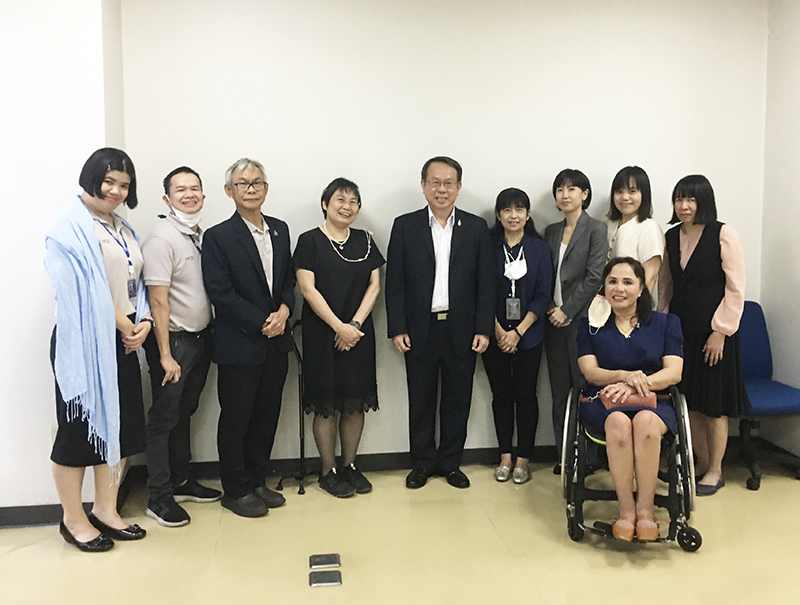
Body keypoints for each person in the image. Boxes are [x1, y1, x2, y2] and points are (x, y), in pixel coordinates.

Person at [45, 147, 151, 552]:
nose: (116, 190)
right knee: (78, 431)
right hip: (83, 342)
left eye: (124, 184)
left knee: (119, 428)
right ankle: (73, 519)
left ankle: (106, 509)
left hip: (124, 339)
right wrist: (123, 321)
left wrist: (142, 320)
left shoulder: (123, 228)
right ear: (92, 177)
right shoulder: (69, 227)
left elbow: (137, 284)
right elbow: (77, 291)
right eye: (109, 181)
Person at [386, 156, 494, 489]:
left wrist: (483, 329)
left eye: (449, 183)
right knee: (420, 398)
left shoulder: (476, 228)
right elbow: (396, 282)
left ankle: (450, 463)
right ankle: (421, 463)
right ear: (423, 186)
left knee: (457, 398)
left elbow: (485, 282)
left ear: (459, 188)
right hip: (420, 328)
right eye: (435, 182)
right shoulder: (405, 225)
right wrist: (398, 327)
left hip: (461, 328)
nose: (441, 189)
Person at [201, 158, 295, 518]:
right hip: (239, 342)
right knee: (237, 417)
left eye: (257, 182)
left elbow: (287, 280)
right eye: (242, 184)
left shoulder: (280, 230)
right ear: (229, 191)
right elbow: (220, 292)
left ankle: (257, 480)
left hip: (276, 341)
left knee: (267, 414)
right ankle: (235, 489)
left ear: (266, 188)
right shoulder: (219, 236)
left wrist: (285, 310)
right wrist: (262, 321)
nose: (251, 188)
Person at [577, 257, 683, 542]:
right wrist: (624, 377)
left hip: (655, 400)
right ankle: (626, 511)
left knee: (647, 423)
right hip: (604, 400)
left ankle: (645, 512)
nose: (618, 288)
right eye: (612, 281)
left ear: (640, 289)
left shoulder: (665, 323)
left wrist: (640, 386)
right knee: (618, 423)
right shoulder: (591, 324)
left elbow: (674, 372)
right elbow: (589, 371)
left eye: (627, 282)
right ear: (604, 287)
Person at [658, 174, 750, 496]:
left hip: (715, 335)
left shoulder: (723, 233)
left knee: (715, 406)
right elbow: (666, 287)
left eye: (691, 199)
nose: (684, 206)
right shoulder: (670, 237)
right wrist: (664, 326)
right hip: (683, 333)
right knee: (691, 403)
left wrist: (721, 331)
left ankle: (716, 469)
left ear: (703, 202)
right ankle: (699, 462)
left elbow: (736, 288)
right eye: (679, 199)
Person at [141, 166, 221, 527]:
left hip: (199, 339)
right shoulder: (162, 239)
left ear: (203, 195)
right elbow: (158, 301)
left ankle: (182, 481)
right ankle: (158, 496)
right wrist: (165, 355)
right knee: (163, 419)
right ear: (167, 198)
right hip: (173, 342)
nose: (189, 195)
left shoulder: (197, 234)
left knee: (183, 413)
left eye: (195, 189)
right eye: (180, 190)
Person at [294, 178, 384, 498]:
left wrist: (354, 325)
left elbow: (375, 285)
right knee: (326, 404)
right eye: (340, 200)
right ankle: (327, 470)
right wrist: (338, 327)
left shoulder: (366, 241)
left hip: (359, 333)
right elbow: (307, 289)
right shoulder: (309, 241)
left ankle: (349, 466)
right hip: (322, 333)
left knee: (354, 400)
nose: (347, 207)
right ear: (325, 204)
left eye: (353, 202)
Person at [481, 188, 552, 485]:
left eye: (519, 209)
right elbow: (481, 289)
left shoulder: (539, 248)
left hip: (530, 335)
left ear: (528, 214)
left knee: (526, 395)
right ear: (499, 215)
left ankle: (524, 457)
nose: (513, 215)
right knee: (501, 396)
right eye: (507, 210)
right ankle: (505, 455)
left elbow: (543, 294)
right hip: (494, 334)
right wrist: (499, 330)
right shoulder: (488, 246)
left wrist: (519, 331)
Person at [544, 169, 607, 472]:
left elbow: (595, 277)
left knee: (585, 389)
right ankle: (564, 456)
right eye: (560, 189)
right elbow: (544, 274)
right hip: (552, 321)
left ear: (584, 193)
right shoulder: (551, 231)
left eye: (572, 189)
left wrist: (567, 310)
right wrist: (551, 309)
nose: (565, 195)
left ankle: (589, 459)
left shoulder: (596, 229)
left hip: (580, 321)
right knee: (559, 394)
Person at [588, 166, 665, 326]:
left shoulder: (648, 227)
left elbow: (649, 278)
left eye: (632, 191)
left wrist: (638, 315)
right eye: (619, 192)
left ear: (644, 195)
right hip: (605, 307)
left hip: (633, 313)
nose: (625, 197)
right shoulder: (609, 225)